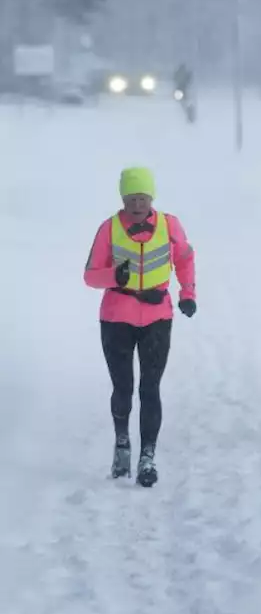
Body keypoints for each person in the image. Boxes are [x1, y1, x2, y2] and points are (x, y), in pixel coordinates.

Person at [83, 167, 197, 486]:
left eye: (143, 198)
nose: (137, 205)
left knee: (150, 388)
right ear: (123, 199)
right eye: (131, 199)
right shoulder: (108, 229)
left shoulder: (169, 225)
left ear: (151, 198)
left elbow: (186, 259)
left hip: (157, 317)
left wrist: (187, 293)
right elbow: (90, 275)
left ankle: (148, 456)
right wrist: (112, 277)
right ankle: (122, 443)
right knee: (123, 388)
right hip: (116, 317)